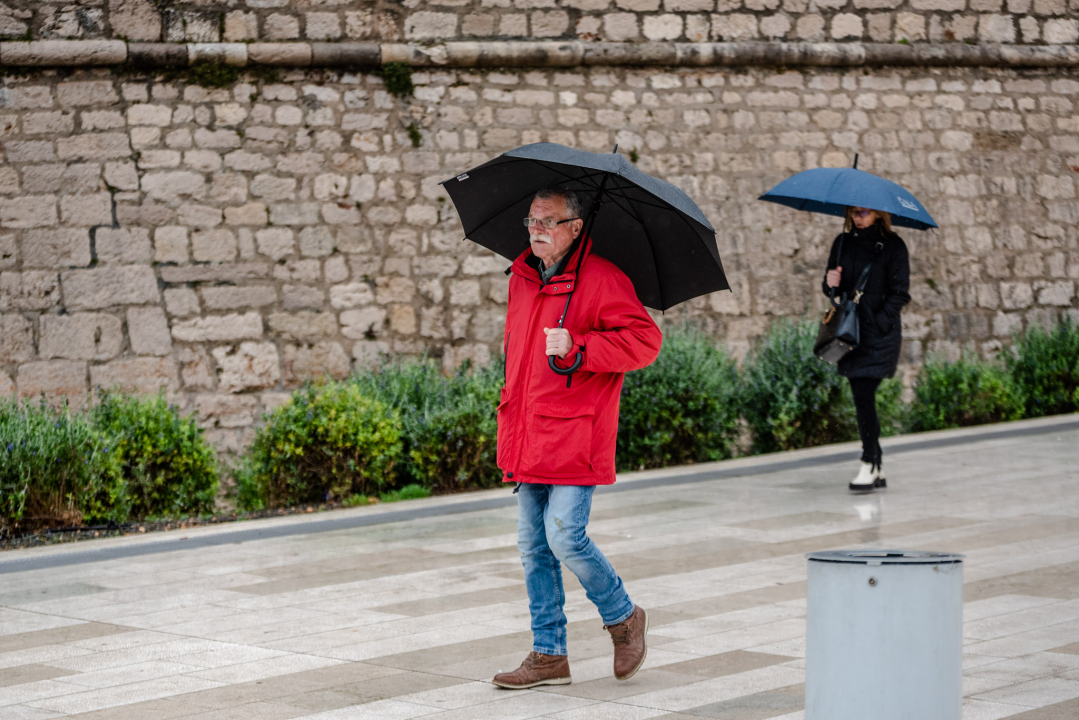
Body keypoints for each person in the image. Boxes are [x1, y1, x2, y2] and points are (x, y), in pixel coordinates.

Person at [492, 186, 662, 689]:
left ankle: (624, 617)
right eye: (532, 220)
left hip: (573, 434)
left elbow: (644, 342)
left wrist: (581, 347)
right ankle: (548, 654)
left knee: (565, 535)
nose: (537, 229)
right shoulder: (522, 277)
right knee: (532, 547)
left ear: (575, 228)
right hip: (528, 431)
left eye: (549, 221)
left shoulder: (603, 278)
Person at [823, 206, 911, 493]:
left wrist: (881, 319)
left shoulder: (893, 245)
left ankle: (868, 462)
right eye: (855, 212)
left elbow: (900, 292)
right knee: (861, 396)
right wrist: (830, 284)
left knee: (863, 394)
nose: (860, 217)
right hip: (851, 334)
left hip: (880, 335)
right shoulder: (842, 242)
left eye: (865, 212)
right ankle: (877, 464)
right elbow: (835, 294)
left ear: (877, 214)